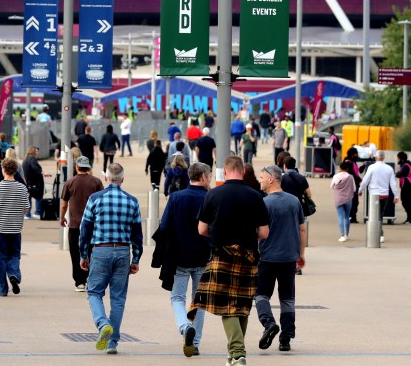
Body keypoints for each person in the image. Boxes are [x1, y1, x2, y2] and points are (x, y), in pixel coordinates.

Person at [190, 154, 269, 366]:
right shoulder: (255, 196)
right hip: (248, 256)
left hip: (222, 255)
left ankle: (237, 353)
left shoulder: (214, 194)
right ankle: (233, 354)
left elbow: (201, 229)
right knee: (242, 305)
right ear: (243, 171)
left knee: (227, 306)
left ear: (224, 172)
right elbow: (264, 232)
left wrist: (217, 235)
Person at [79, 162, 143, 355]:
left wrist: (83, 254)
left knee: (94, 292)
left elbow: (85, 229)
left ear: (106, 178)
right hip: (123, 251)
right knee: (118, 298)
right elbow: (137, 234)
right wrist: (136, 259)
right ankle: (112, 342)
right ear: (122, 179)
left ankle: (102, 324)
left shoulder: (95, 199)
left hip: (101, 250)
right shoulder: (132, 201)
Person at [156, 161, 211, 358]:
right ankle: (195, 343)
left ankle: (184, 326)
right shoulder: (210, 198)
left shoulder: (176, 197)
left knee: (177, 298)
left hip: (179, 256)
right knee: (199, 301)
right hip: (204, 257)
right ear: (204, 177)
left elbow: (163, 227)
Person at [255, 165, 306, 353]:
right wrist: (301, 254)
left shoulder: (264, 203)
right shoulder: (294, 201)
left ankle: (268, 323)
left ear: (271, 179)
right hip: (288, 258)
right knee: (287, 299)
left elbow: (259, 231)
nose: (259, 181)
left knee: (261, 295)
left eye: (261, 177)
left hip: (267, 257)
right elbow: (302, 228)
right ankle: (286, 338)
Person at [0, 157, 30, 296]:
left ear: (3, 170)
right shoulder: (22, 188)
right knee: (15, 254)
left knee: (0, 257)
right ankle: (14, 274)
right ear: (15, 171)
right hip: (16, 228)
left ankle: (2, 289)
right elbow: (26, 209)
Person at [61, 156, 104, 291]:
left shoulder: (70, 182)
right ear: (89, 167)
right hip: (93, 224)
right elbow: (102, 202)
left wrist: (62, 217)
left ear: (76, 167)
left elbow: (64, 204)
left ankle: (79, 281)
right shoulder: (96, 182)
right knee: (92, 252)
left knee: (75, 252)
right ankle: (91, 279)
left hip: (75, 224)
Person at [358, 150, 400, 243]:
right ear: (383, 157)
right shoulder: (389, 168)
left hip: (373, 195)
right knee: (380, 215)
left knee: (373, 215)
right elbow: (393, 183)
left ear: (376, 157)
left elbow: (365, 180)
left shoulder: (371, 167)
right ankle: (380, 234)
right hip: (384, 195)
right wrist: (396, 195)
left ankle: (377, 234)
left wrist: (360, 190)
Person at [331, 159, 356, 242]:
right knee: (347, 217)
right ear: (347, 169)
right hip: (348, 199)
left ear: (340, 168)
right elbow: (354, 189)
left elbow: (332, 186)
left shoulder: (336, 176)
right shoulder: (351, 177)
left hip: (338, 199)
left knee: (340, 217)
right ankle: (347, 234)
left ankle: (342, 235)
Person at [21, 146, 45, 219]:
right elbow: (34, 167)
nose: (38, 153)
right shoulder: (32, 159)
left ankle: (27, 214)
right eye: (36, 151)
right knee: (38, 197)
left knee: (28, 198)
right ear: (33, 151)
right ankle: (37, 212)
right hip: (36, 182)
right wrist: (42, 172)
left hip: (28, 183)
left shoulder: (25, 160)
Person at [395, 152, 411, 224]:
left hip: (408, 186)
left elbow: (400, 174)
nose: (397, 160)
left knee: (406, 202)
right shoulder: (405, 165)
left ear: (402, 159)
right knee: (406, 202)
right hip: (407, 186)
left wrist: (395, 174)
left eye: (398, 158)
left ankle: (410, 218)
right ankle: (410, 218)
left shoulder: (405, 166)